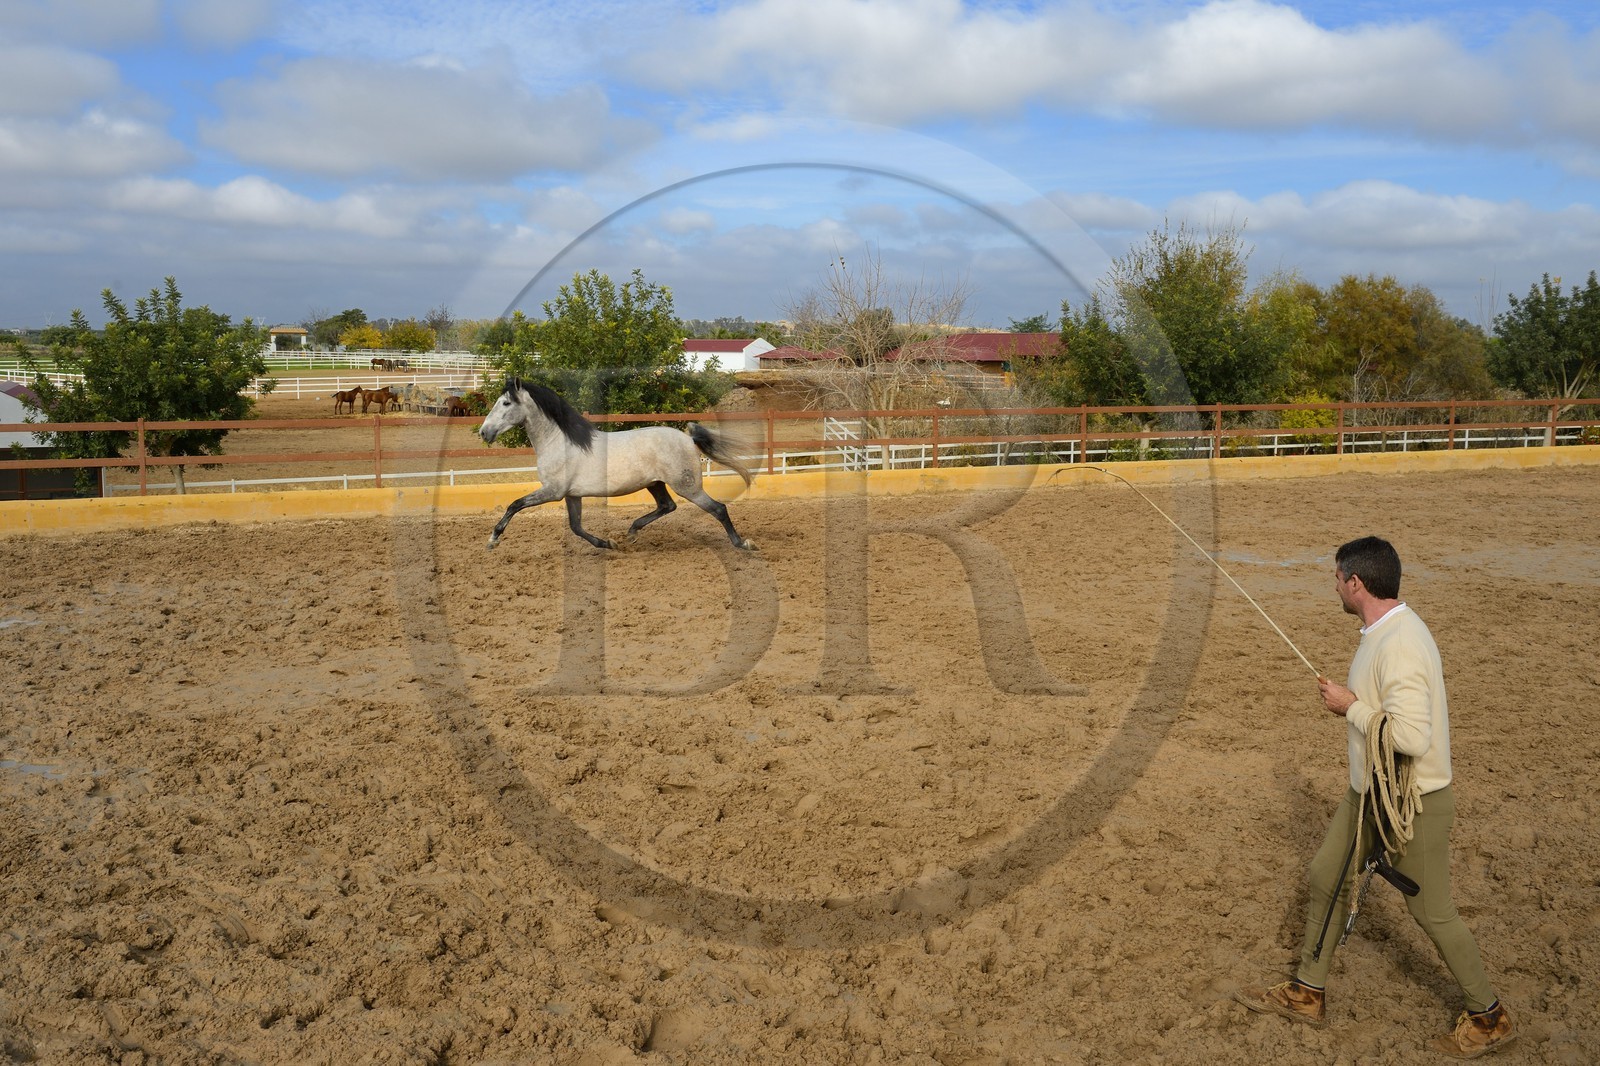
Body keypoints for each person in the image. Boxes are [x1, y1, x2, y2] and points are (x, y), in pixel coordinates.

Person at [1235, 536, 1514, 1058]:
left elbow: (1412, 738)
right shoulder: (1381, 630)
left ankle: (1490, 1015)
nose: (1334, 585)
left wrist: (1350, 707)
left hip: (1414, 804)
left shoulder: (1401, 643)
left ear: (1356, 583)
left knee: (1432, 912)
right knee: (1326, 875)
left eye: (1337, 578)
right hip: (1368, 795)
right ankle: (1307, 992)